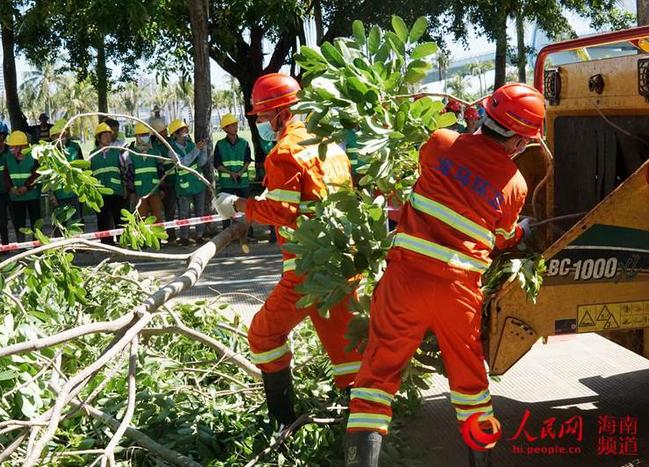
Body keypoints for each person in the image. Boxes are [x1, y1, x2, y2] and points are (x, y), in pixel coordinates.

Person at [342, 83, 545, 467]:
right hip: (459, 293)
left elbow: (435, 181)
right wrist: (524, 230)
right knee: (471, 387)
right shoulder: (515, 185)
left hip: (404, 283)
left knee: (376, 380)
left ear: (484, 114)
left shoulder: (438, 143)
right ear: (519, 141)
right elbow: (502, 238)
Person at [214, 73, 363, 427]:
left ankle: (283, 423)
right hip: (345, 262)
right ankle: (360, 424)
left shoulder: (284, 152)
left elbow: (282, 212)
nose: (261, 124)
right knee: (347, 353)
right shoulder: (329, 145)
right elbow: (312, 198)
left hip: (310, 270)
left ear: (280, 113)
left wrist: (238, 206)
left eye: (263, 118)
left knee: (263, 334)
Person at [168, 119, 207, 245]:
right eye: (183, 130)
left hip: (197, 183)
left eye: (186, 130)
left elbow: (201, 162)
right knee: (184, 212)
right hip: (183, 186)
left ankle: (200, 235)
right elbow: (183, 163)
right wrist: (196, 149)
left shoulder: (191, 144)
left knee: (200, 210)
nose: (186, 132)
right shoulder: (171, 150)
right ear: (176, 134)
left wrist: (203, 149)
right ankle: (184, 237)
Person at [214, 113, 253, 234]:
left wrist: (240, 172)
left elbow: (248, 160)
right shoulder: (220, 144)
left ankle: (248, 232)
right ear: (225, 128)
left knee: (247, 208)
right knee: (226, 209)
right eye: (232, 125)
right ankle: (227, 234)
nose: (236, 127)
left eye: (236, 125)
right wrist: (231, 173)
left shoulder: (244, 143)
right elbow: (217, 164)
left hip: (243, 182)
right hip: (227, 183)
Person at [90, 122, 127, 244]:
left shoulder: (117, 152)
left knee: (119, 218)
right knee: (103, 219)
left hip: (116, 190)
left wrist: (125, 188)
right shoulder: (92, 155)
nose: (108, 137)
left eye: (109, 135)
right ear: (98, 138)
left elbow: (124, 170)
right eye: (104, 135)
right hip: (100, 192)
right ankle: (106, 243)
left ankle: (122, 241)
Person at [5, 131, 41, 242]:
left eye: (14, 147)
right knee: (19, 223)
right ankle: (21, 246)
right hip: (16, 197)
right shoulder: (8, 158)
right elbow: (5, 175)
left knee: (36, 222)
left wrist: (26, 187)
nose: (11, 149)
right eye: (11, 147)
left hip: (32, 196)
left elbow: (37, 173)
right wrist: (10, 188)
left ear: (22, 146)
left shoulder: (34, 156)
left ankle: (37, 244)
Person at [48, 121, 84, 222]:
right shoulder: (49, 153)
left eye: (62, 135)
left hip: (74, 193)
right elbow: (47, 176)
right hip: (58, 195)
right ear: (52, 138)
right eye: (56, 136)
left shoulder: (74, 149)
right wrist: (51, 194)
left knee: (76, 222)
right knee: (59, 225)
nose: (60, 138)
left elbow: (81, 170)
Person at [129, 123, 164, 222]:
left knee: (157, 216)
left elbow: (161, 172)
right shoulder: (131, 154)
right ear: (136, 137)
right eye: (141, 135)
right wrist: (131, 192)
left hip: (155, 190)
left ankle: (158, 237)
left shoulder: (156, 152)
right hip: (139, 192)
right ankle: (142, 237)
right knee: (141, 218)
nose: (144, 137)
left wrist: (162, 189)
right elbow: (129, 174)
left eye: (146, 135)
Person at [150, 118, 177, 245]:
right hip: (164, 183)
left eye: (165, 131)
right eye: (161, 132)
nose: (164, 133)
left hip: (177, 180)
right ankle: (166, 235)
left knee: (175, 210)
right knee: (165, 211)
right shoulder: (154, 147)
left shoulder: (172, 142)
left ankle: (173, 235)